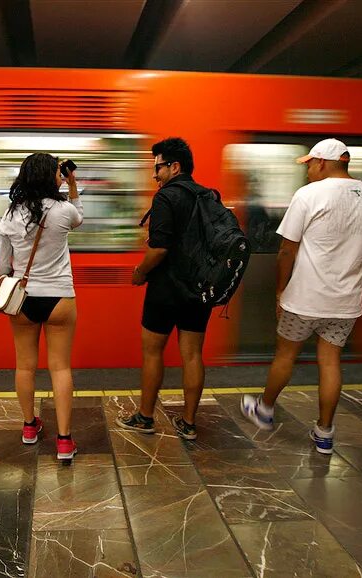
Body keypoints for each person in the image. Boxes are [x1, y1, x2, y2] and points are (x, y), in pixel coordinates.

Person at [240, 138, 362, 455]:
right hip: (345, 303)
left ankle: (264, 410)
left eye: (309, 165)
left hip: (304, 299)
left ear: (322, 162)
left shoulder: (308, 194)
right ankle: (324, 432)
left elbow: (286, 249)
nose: (307, 172)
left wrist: (280, 290)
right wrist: (356, 277)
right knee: (330, 362)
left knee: (285, 355)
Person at [118, 137, 214, 441]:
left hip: (165, 289)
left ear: (174, 166)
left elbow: (158, 250)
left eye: (157, 167)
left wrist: (139, 272)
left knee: (152, 352)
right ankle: (188, 423)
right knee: (192, 355)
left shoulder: (165, 198)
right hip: (199, 289)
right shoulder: (207, 196)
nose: (154, 175)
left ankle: (145, 417)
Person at [0, 153, 82, 462]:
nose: (62, 175)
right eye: (58, 172)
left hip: (23, 299)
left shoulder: (10, 216)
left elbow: (0, 266)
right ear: (50, 177)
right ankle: (63, 442)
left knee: (25, 366)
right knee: (60, 367)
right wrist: (73, 185)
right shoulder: (63, 211)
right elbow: (79, 218)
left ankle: (30, 428)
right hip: (60, 297)